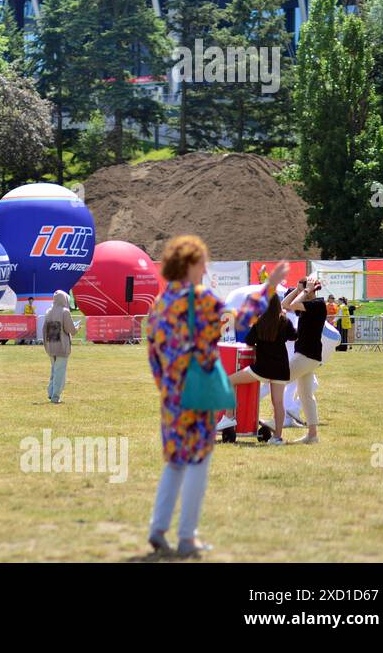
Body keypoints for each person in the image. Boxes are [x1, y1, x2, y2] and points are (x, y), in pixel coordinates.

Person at [145, 236, 286, 558]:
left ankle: (158, 527)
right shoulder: (201, 298)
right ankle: (186, 536)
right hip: (198, 392)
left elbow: (153, 354)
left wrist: (165, 387)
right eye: (202, 262)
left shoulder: (161, 304)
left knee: (175, 461)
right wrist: (269, 288)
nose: (205, 268)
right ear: (191, 265)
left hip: (171, 393)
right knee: (198, 461)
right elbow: (240, 316)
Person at [229, 289, 300, 444]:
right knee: (278, 403)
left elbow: (248, 341)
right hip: (281, 368)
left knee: (229, 381)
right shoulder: (284, 321)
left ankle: (229, 418)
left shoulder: (259, 321)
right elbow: (294, 336)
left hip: (262, 368)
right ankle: (277, 437)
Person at [284, 276, 325, 444]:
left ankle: (277, 421)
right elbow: (285, 305)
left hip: (306, 355)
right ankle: (312, 435)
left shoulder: (317, 304)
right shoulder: (307, 305)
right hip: (308, 355)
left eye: (305, 290)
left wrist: (307, 289)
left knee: (278, 380)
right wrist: (298, 289)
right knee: (306, 395)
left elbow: (292, 305)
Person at [43, 289, 78, 403]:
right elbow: (70, 330)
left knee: (54, 371)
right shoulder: (65, 312)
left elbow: (44, 330)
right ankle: (55, 396)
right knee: (60, 372)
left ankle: (50, 392)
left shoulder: (48, 311)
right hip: (62, 347)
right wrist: (76, 328)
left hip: (51, 346)